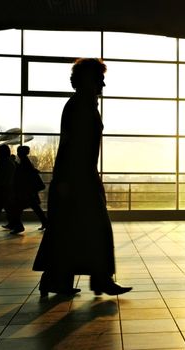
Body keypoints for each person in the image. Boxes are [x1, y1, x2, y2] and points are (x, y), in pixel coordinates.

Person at [32, 58, 131, 297]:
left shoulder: (80, 104)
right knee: (94, 229)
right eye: (100, 79)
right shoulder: (81, 106)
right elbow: (74, 147)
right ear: (89, 80)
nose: (103, 85)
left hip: (75, 178)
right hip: (78, 179)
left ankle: (59, 279)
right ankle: (98, 279)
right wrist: (77, 181)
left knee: (69, 230)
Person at [11, 145, 48, 234]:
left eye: (18, 152)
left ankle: (19, 227)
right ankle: (46, 223)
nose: (17, 153)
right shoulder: (26, 161)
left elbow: (23, 174)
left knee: (17, 209)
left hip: (25, 191)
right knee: (35, 208)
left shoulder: (24, 162)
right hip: (29, 191)